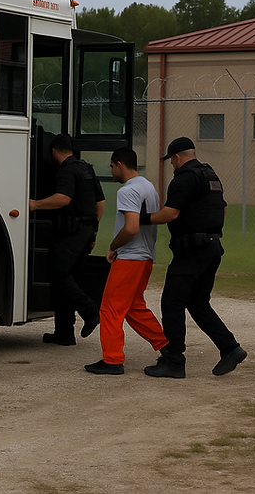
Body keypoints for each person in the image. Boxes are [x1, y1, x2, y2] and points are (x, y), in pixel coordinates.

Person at [140, 137, 247, 378]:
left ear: (177, 157)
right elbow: (223, 208)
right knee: (197, 303)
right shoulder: (211, 175)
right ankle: (230, 348)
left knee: (172, 303)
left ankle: (174, 360)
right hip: (211, 248)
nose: (172, 165)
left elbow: (170, 213)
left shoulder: (184, 178)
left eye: (171, 161)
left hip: (191, 251)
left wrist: (141, 219)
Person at [84, 147, 168, 375]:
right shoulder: (148, 187)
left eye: (112, 167)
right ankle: (167, 347)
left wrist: (113, 246)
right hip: (146, 257)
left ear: (120, 164)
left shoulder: (128, 191)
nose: (111, 172)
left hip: (130, 258)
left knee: (110, 308)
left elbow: (131, 227)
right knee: (133, 307)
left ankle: (112, 360)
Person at [29, 133, 104, 345]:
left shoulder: (65, 170)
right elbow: (100, 202)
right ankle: (64, 332)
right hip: (86, 231)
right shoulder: (86, 168)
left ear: (53, 152)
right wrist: (93, 232)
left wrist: (34, 205)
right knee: (69, 278)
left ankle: (89, 311)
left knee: (59, 275)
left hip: (70, 232)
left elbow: (63, 198)